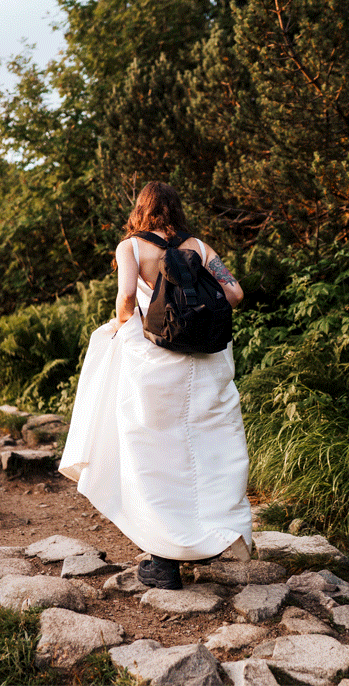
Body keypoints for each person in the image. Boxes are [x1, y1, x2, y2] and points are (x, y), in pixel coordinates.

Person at [59, 181, 253, 590]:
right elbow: (235, 293)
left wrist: (122, 328)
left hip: (156, 364)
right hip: (206, 364)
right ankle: (208, 538)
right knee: (207, 452)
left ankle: (164, 559)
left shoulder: (130, 247)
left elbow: (127, 299)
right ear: (176, 209)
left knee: (154, 457)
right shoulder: (200, 247)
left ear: (141, 209)